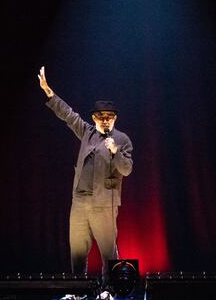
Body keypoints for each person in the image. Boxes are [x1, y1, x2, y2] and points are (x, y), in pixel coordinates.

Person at [38, 66, 133, 277]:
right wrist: (49, 92)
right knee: (78, 249)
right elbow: (69, 115)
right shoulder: (87, 132)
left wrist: (115, 151)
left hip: (104, 203)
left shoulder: (122, 139)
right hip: (80, 202)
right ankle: (78, 289)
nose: (105, 119)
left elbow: (126, 170)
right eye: (101, 115)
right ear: (94, 117)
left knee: (108, 251)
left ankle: (109, 289)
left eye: (109, 116)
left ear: (115, 118)